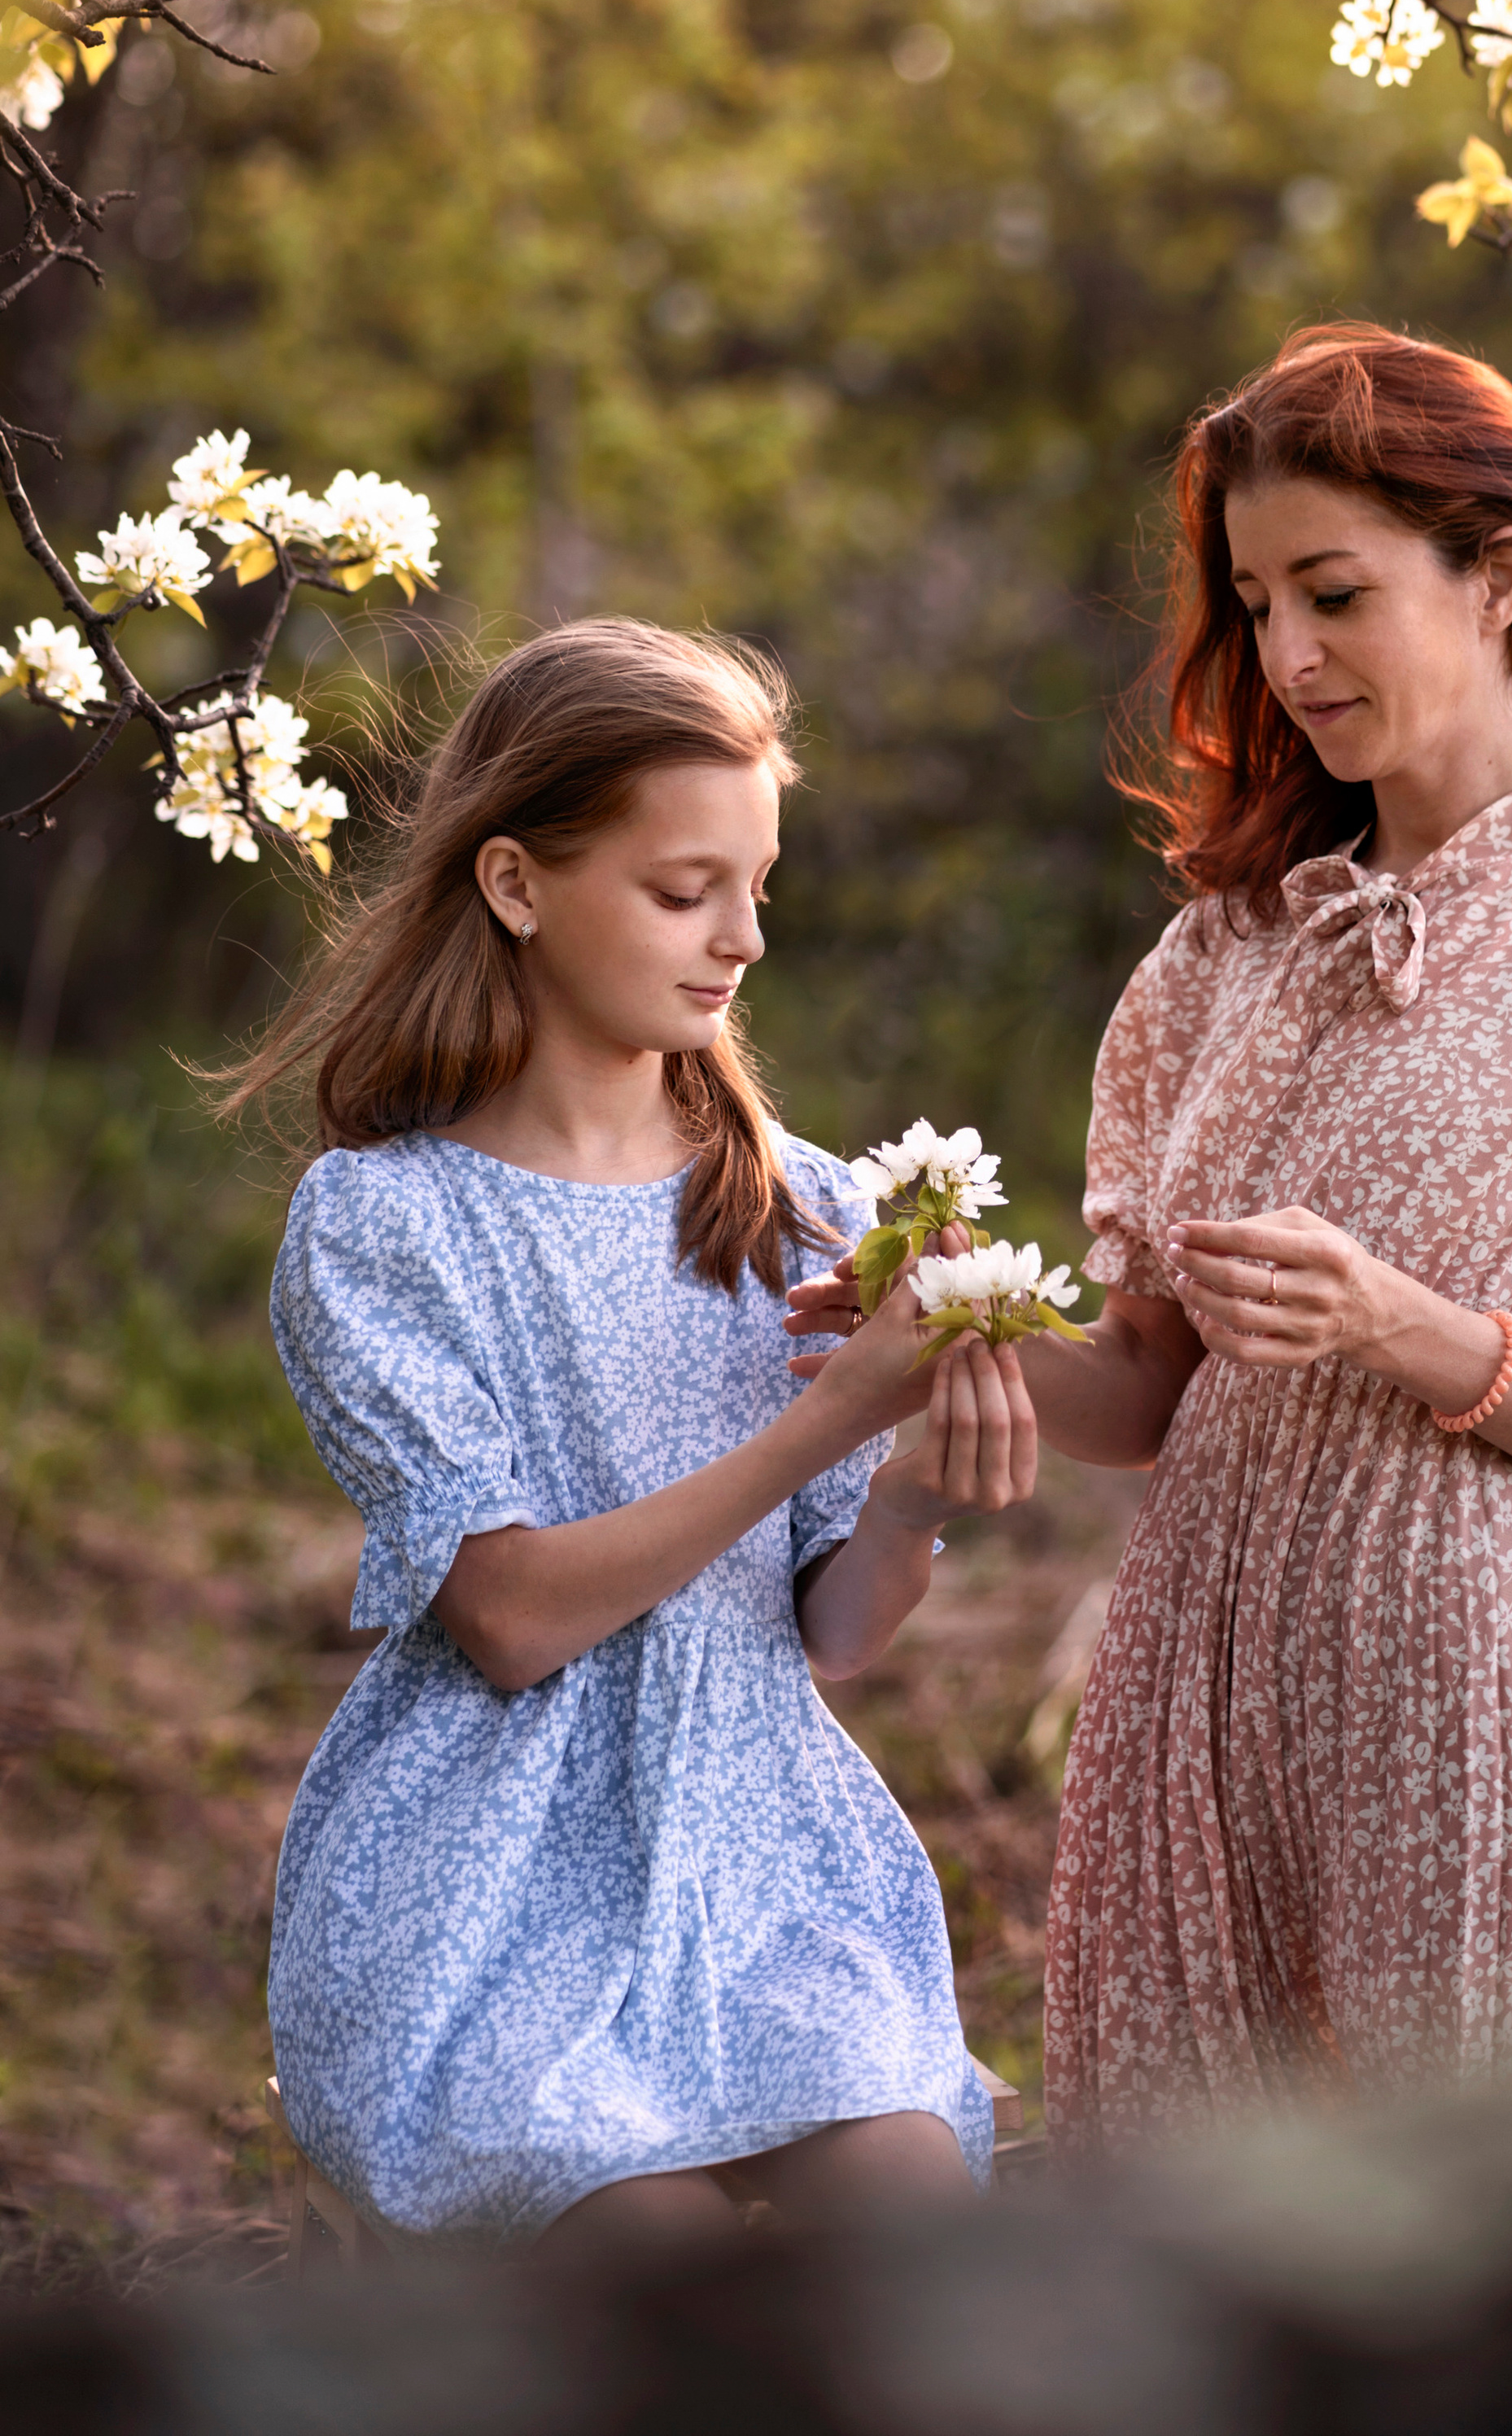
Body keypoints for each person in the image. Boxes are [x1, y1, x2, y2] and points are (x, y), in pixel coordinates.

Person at [1015, 323, 1512, 2146]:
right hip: (1192, 1698)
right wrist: (936, 1320)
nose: (1285, 656)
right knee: (1177, 2269)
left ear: (1497, 575)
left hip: (1472, 1701)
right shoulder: (1217, 952)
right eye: (1255, 604)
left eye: (1334, 593)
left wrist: (1406, 1329)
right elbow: (1140, 1391)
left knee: (1481, 2280)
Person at [225, 619, 1035, 2244]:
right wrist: (832, 1427)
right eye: (683, 892)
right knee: (651, 2271)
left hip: (754, 1867)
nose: (739, 939)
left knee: (909, 2225)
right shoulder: (386, 1225)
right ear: (517, 884)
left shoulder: (801, 1205)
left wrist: (914, 1492)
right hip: (489, 1895)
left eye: (758, 887)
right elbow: (510, 1618)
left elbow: (830, 1633)